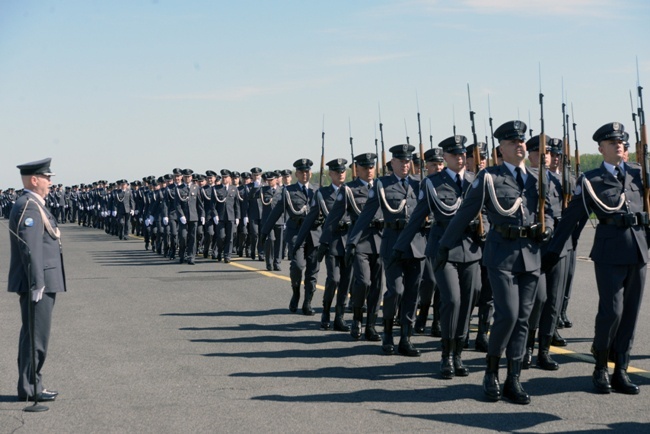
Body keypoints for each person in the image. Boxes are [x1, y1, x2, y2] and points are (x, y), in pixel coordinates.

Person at [434, 121, 554, 405]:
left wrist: (546, 226)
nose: (520, 145)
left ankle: (513, 378)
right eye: (513, 142)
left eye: (522, 141)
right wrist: (443, 246)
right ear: (501, 148)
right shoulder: (489, 177)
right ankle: (491, 372)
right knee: (509, 315)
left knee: (524, 318)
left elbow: (546, 210)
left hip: (531, 255)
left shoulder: (539, 178)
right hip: (501, 255)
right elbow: (465, 213)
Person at [543, 122, 647, 395]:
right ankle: (600, 366)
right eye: (612, 142)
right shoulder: (591, 180)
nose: (619, 145)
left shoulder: (640, 173)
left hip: (638, 250)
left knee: (631, 314)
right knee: (611, 311)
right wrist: (553, 250)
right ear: (601, 148)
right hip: (609, 251)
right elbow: (571, 218)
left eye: (621, 142)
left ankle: (620, 370)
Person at [348, 144, 426, 357]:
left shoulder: (421, 184)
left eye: (408, 161)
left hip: (417, 245)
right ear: (392, 163)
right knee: (396, 291)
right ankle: (389, 333)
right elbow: (366, 214)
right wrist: (352, 241)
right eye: (401, 161)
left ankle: (406, 339)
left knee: (412, 294)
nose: (405, 165)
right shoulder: (382, 184)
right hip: (392, 243)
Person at [8, 157, 65, 402]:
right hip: (39, 282)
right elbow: (30, 249)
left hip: (41, 280)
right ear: (34, 180)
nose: (50, 182)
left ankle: (31, 384)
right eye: (47, 178)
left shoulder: (33, 203)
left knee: (34, 334)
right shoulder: (29, 205)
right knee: (36, 336)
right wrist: (37, 283)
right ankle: (32, 388)